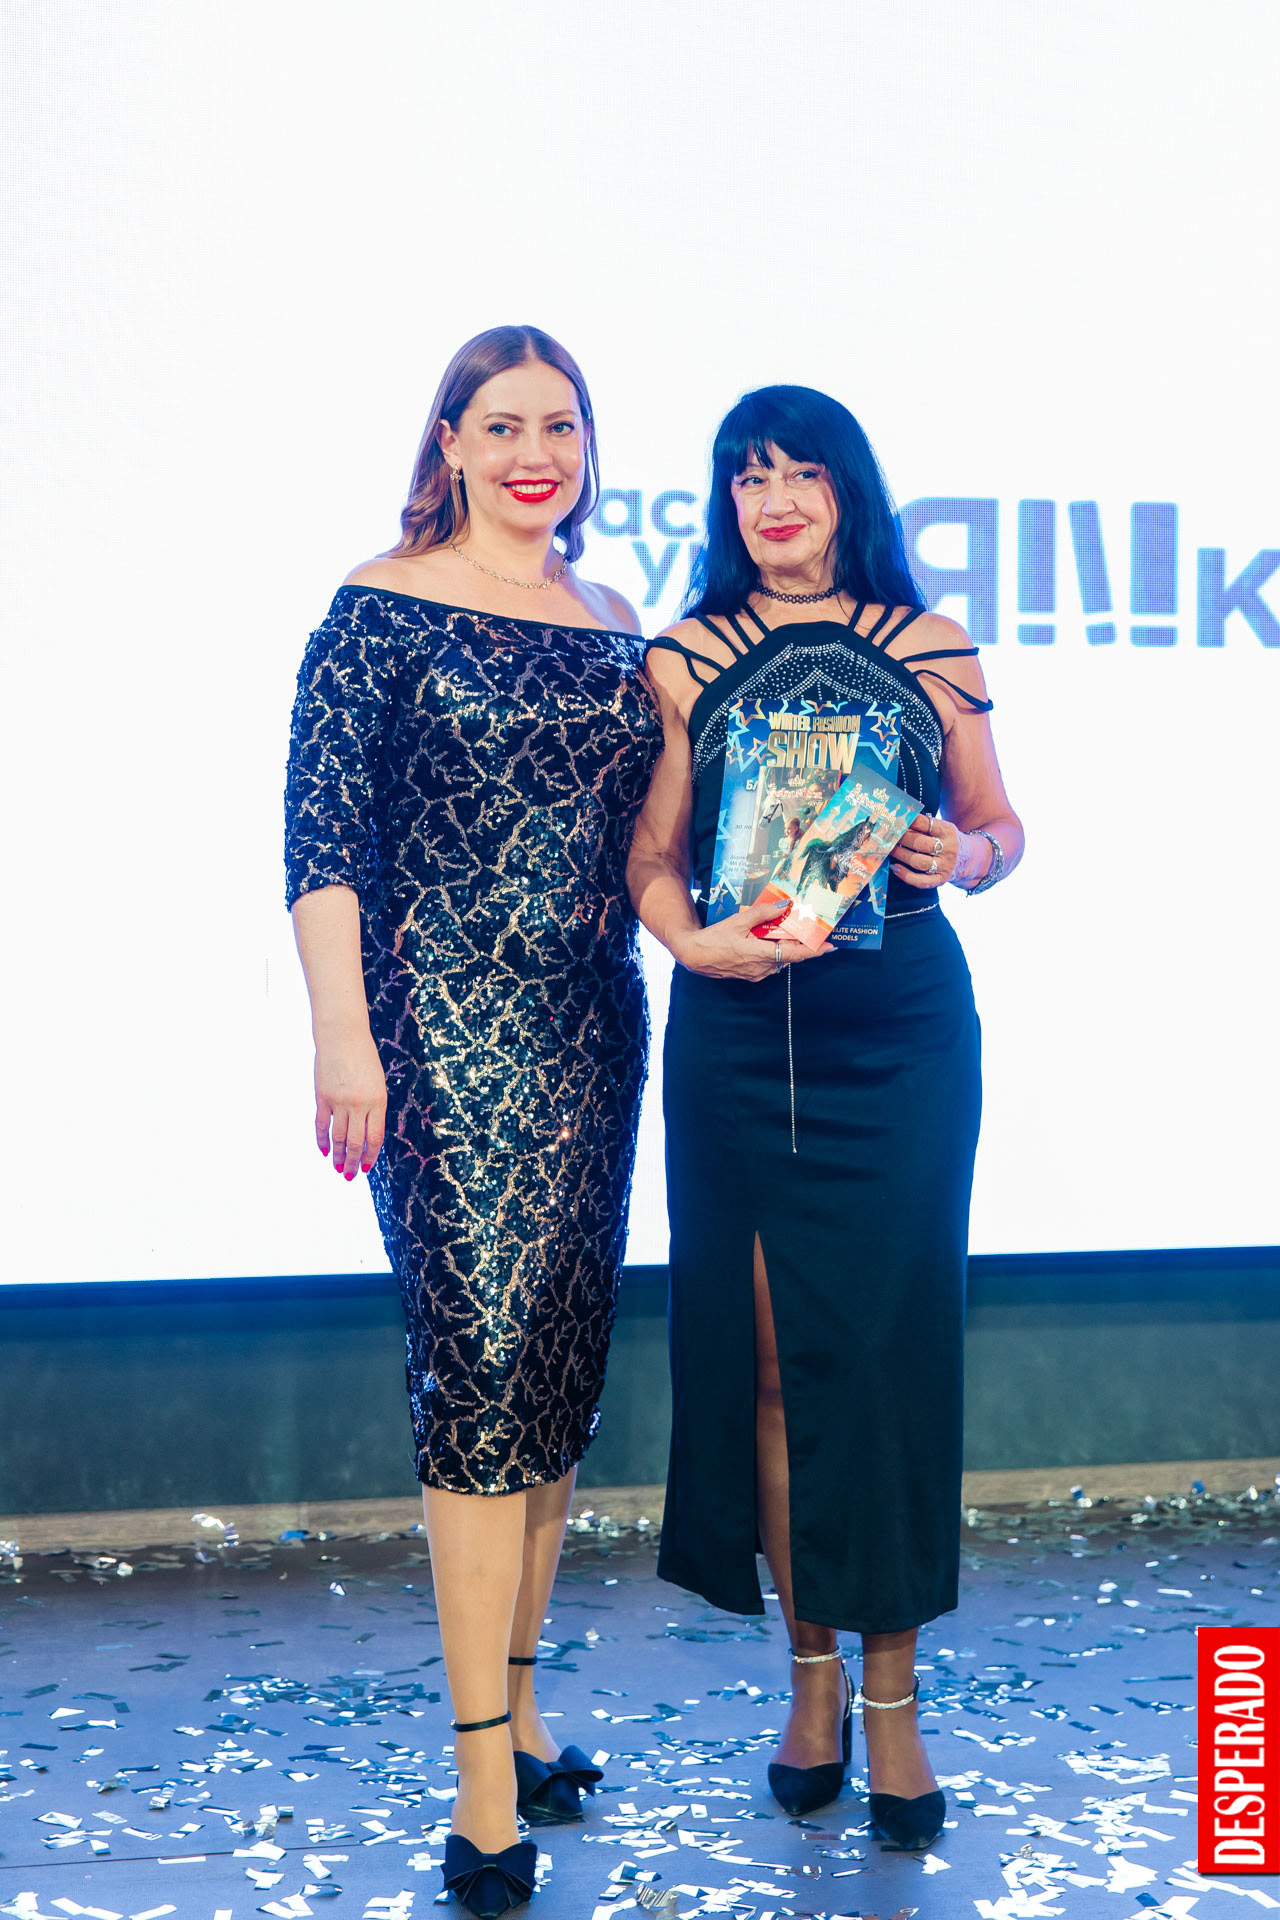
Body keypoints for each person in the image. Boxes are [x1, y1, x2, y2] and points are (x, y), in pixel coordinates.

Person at [284, 326, 661, 1917]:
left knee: (556, 1385)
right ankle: (480, 1780)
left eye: (559, 427)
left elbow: (652, 838)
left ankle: (523, 1706)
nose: (533, 455)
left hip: (594, 1035)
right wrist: (345, 1040)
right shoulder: (376, 606)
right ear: (448, 440)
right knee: (481, 1386)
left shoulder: (618, 618)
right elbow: (320, 841)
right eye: (501, 425)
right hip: (438, 1042)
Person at [628, 384, 1024, 1850]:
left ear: (849, 489)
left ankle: (896, 1701)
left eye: (801, 472)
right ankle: (811, 1686)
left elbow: (1004, 828)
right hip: (740, 1038)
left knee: (891, 1367)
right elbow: (651, 854)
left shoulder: (931, 645)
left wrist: (957, 853)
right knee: (777, 1374)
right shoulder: (683, 656)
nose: (775, 499)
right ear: (726, 502)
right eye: (748, 477)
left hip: (900, 1037)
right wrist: (686, 938)